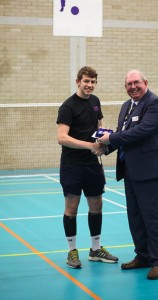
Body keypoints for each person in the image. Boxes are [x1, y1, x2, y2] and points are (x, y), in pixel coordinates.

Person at [98, 70, 158, 280]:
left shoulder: (155, 103)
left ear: (145, 82)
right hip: (131, 170)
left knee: (153, 218)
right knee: (136, 217)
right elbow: (123, 136)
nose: (133, 86)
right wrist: (104, 147)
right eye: (129, 84)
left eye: (136, 82)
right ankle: (143, 255)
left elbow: (140, 132)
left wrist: (109, 140)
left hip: (152, 171)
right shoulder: (126, 106)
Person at [56, 66, 118, 269]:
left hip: (93, 164)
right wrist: (89, 145)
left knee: (96, 205)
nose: (90, 85)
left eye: (93, 82)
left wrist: (103, 141)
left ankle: (95, 249)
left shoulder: (95, 101)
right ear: (78, 82)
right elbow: (62, 137)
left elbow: (99, 126)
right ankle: (72, 252)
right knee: (71, 209)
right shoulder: (68, 106)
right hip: (72, 164)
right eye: (86, 81)